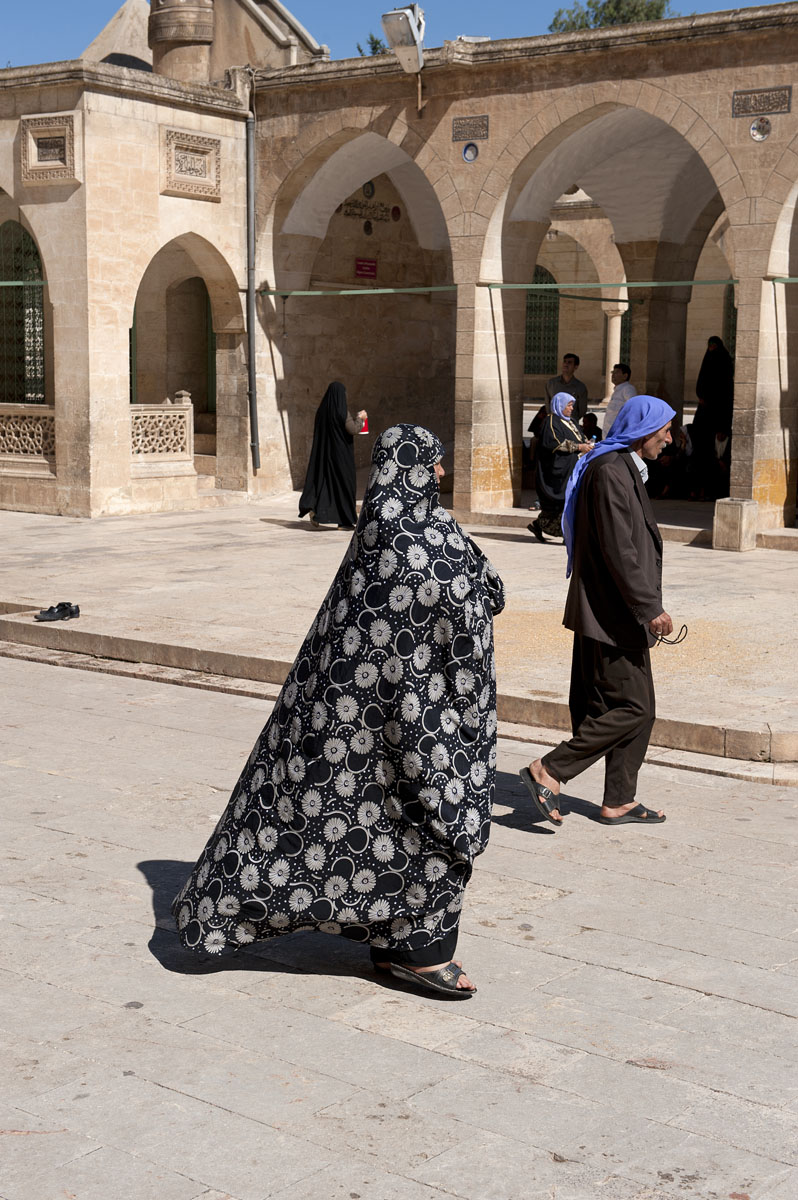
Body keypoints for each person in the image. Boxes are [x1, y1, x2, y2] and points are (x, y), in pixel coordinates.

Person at [173, 424, 506, 998]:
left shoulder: (379, 529)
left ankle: (387, 940)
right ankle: (419, 955)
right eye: (436, 463)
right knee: (426, 824)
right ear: (418, 467)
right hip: (417, 714)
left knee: (364, 820)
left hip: (354, 716)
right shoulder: (422, 538)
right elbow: (482, 596)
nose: (444, 474)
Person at [519, 395, 677, 827]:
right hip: (611, 614)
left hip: (614, 612)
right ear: (645, 429)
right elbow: (618, 549)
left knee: (627, 707)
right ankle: (548, 771)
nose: (668, 437)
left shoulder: (618, 466)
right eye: (664, 428)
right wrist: (649, 607)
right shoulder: (609, 472)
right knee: (634, 709)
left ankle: (620, 800)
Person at [298, 382, 367, 529]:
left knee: (327, 485)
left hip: (325, 456)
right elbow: (353, 429)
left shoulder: (322, 412)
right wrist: (361, 418)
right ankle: (345, 522)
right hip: (341, 457)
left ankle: (316, 510)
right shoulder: (342, 412)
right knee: (345, 485)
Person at [528, 392, 592, 543]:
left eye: (572, 405)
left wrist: (587, 443)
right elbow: (555, 443)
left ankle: (545, 527)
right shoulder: (551, 421)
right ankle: (566, 533)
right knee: (563, 502)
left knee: (571, 500)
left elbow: (580, 438)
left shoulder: (572, 422)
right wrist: (579, 447)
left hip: (573, 468)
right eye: (569, 405)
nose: (571, 408)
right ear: (560, 405)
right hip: (559, 470)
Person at [691, 337, 734, 493]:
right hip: (704, 413)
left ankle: (711, 490)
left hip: (718, 415)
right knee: (700, 450)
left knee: (714, 456)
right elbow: (702, 381)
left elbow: (727, 397)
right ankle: (699, 488)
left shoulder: (724, 363)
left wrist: (723, 426)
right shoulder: (708, 360)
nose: (711, 349)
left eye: (714, 346)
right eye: (710, 345)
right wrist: (701, 395)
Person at [545, 353, 589, 421]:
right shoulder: (551, 383)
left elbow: (582, 411)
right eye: (564, 361)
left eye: (569, 362)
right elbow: (548, 405)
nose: (566, 364)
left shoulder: (580, 387)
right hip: (554, 422)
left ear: (576, 367)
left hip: (571, 423)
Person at [602, 363, 637, 434]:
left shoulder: (628, 389)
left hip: (618, 433)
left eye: (616, 373)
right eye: (612, 372)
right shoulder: (617, 390)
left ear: (625, 376)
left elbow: (634, 408)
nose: (613, 375)